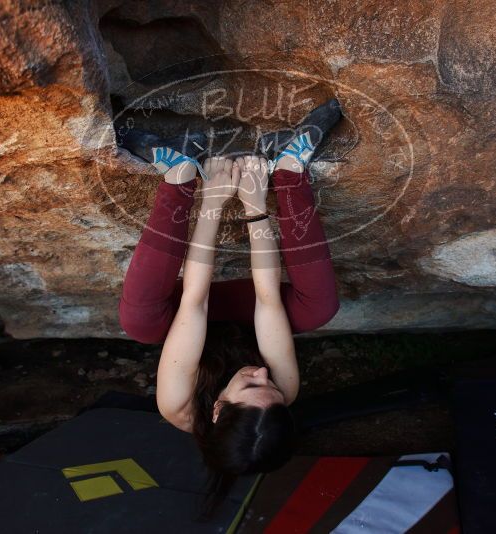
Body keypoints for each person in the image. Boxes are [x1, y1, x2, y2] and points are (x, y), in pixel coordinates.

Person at [118, 99, 342, 511]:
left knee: (140, 322)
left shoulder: (178, 403)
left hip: (188, 311)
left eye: (252, 385)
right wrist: (257, 205)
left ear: (219, 408)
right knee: (319, 309)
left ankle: (179, 172)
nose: (262, 373)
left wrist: (213, 199)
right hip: (248, 310)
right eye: (271, 386)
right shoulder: (282, 394)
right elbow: (268, 298)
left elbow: (195, 301)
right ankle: (291, 168)